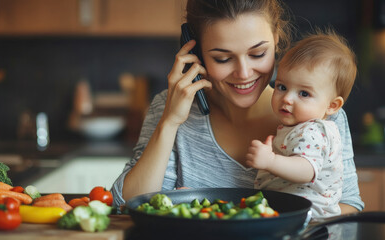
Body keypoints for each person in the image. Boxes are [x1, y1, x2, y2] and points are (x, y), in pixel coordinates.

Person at [110, 0, 364, 214]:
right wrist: (170, 122)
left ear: (276, 39)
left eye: (257, 54)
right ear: (196, 53)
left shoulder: (320, 114)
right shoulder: (170, 108)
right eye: (223, 58)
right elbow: (126, 205)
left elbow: (348, 205)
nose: (244, 73)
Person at [245, 30, 357, 219]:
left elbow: (306, 170)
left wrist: (270, 161)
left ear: (332, 105)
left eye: (304, 94)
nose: (287, 98)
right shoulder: (299, 127)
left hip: (310, 218)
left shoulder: (314, 130)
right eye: (282, 87)